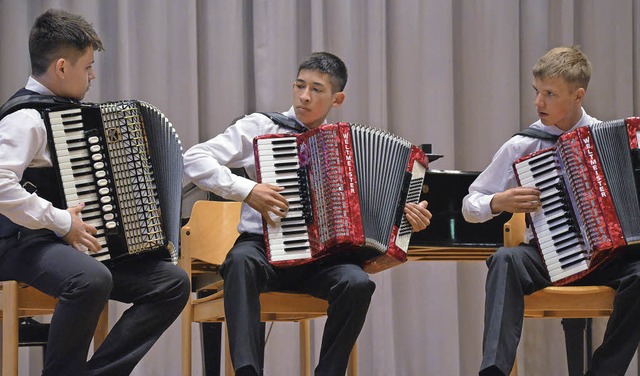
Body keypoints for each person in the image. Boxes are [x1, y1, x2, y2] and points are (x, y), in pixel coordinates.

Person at [183, 51, 432, 376]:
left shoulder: (346, 144)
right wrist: (247, 190)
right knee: (240, 262)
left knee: (357, 283)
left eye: (316, 89)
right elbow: (194, 158)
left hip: (321, 261)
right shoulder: (263, 126)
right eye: (300, 86)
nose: (304, 96)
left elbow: (381, 212)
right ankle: (247, 371)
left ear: (337, 98)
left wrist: (408, 222)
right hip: (263, 250)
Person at [0, 9, 190, 376]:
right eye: (86, 67)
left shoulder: (71, 116)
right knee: (90, 279)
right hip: (22, 244)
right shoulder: (25, 118)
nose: (92, 76)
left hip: (66, 248)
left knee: (171, 282)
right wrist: (58, 221)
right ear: (60, 68)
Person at [463, 45, 640, 376]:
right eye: (537, 92)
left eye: (549, 94)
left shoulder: (614, 140)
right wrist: (497, 202)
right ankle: (493, 371)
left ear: (578, 95)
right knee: (505, 260)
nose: (538, 103)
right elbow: (470, 204)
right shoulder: (523, 145)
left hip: (608, 258)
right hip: (547, 257)